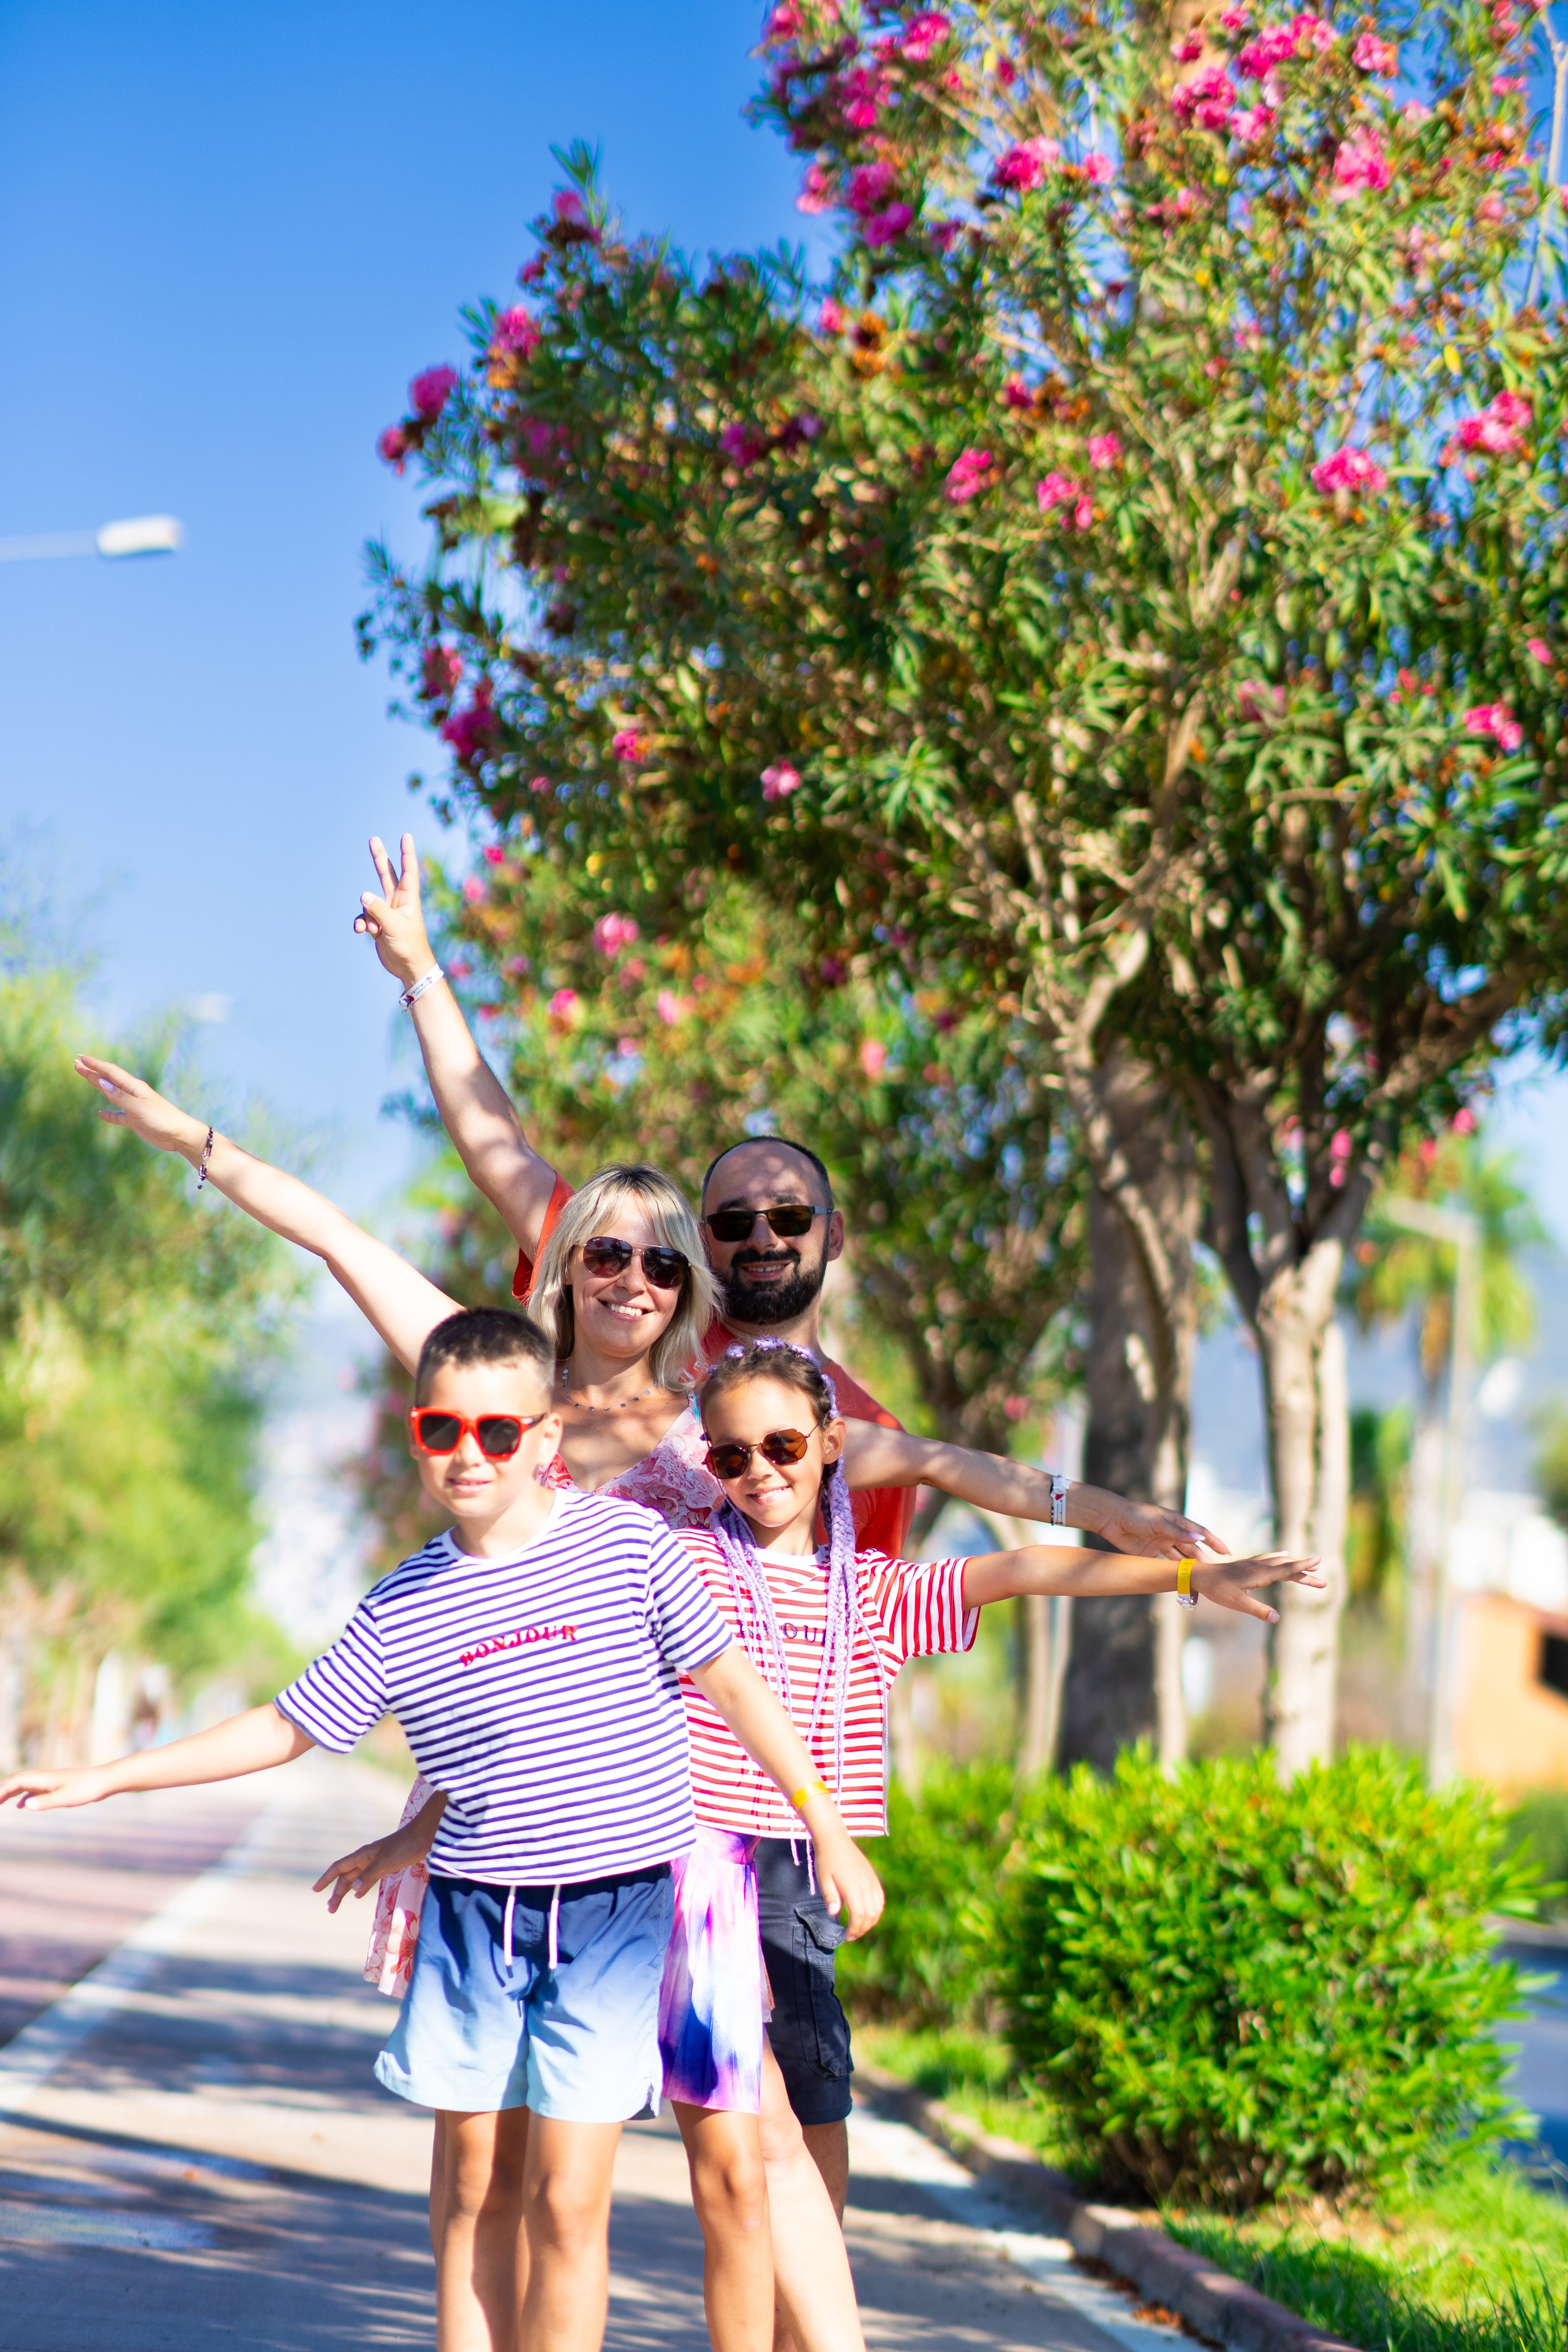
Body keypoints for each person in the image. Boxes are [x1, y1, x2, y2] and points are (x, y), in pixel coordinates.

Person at [353, 1335, 1325, 2352]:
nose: (759, 1473)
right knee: (729, 2165)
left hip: (805, 1884)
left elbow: (1027, 1569)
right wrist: (430, 1822)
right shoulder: (675, 1559)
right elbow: (545, 1682)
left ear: (829, 1444)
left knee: (806, 2145)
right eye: (729, 1458)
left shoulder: (878, 1593)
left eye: (781, 1446)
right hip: (690, 1871)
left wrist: (1183, 1578)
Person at [0, 1306, 884, 2352]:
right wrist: (108, 1779)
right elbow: (289, 1725)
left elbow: (736, 1690)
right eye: (442, 1430)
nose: (470, 1454)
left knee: (568, 2199)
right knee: (474, 2185)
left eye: (498, 1431)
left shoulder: (633, 1548)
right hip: (475, 1919)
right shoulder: (405, 1605)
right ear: (418, 1434)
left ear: (544, 1439)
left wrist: (825, 1826)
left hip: (615, 1918)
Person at [350, 832, 1224, 1567]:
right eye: (731, 1222)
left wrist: (1102, 1513)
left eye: (791, 1218)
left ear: (833, 1236)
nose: (762, 1236)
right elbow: (495, 1147)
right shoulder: (638, 1290)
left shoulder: (851, 1427)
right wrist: (420, 970)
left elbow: (861, 1607)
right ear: (695, 1242)